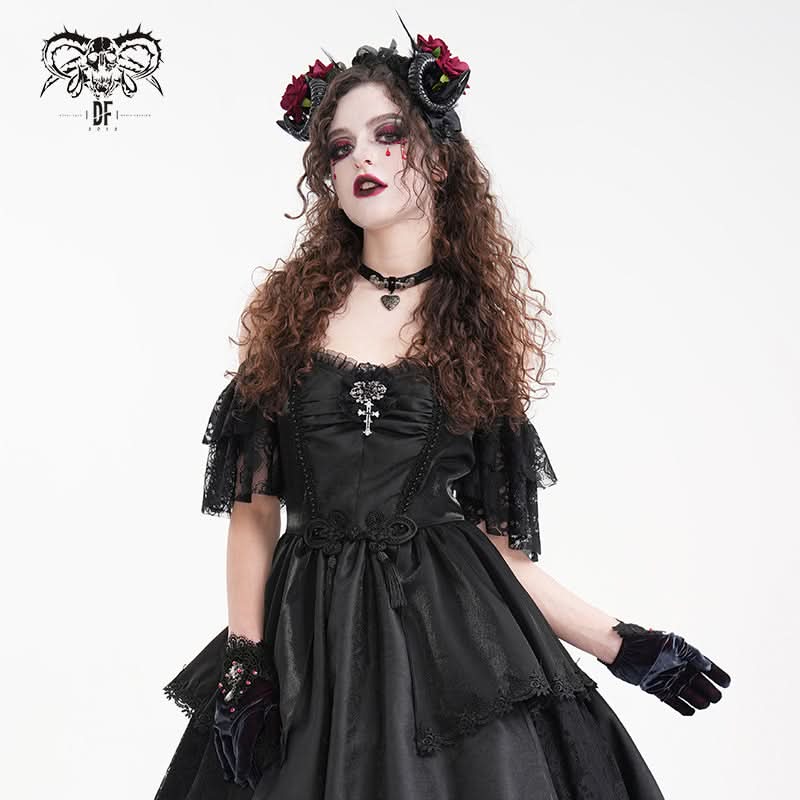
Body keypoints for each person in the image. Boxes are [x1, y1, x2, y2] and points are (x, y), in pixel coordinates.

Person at [154, 14, 731, 800]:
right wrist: (245, 664)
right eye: (340, 147)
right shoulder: (289, 317)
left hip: (454, 646)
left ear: (436, 153)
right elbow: (253, 516)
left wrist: (620, 643)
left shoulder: (477, 334)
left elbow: (502, 556)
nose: (361, 157)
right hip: (303, 648)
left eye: (386, 134)